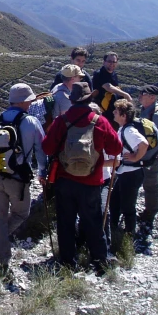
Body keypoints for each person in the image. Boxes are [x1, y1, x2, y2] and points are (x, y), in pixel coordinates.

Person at [42, 82, 122, 274]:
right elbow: (116, 148)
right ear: (90, 99)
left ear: (71, 100)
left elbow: (47, 148)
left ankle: (68, 262)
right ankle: (100, 261)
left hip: (65, 180)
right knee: (93, 221)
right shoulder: (100, 121)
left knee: (65, 221)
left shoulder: (62, 121)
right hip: (91, 181)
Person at [0, 83, 47, 274]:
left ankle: (1, 261)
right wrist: (42, 173)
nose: (30, 104)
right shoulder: (31, 121)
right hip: (18, 178)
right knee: (21, 213)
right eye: (29, 100)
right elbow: (42, 150)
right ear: (23, 102)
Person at [110, 100, 148, 236]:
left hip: (132, 174)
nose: (113, 113)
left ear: (124, 115)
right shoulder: (124, 129)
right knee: (115, 201)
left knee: (128, 206)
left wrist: (136, 158)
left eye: (116, 111)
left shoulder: (129, 131)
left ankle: (129, 235)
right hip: (126, 172)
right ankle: (114, 229)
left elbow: (144, 143)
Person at [137, 85, 158, 227]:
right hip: (144, 155)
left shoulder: (156, 115)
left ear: (152, 97)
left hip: (150, 157)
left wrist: (147, 156)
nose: (140, 96)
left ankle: (151, 212)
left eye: (143, 94)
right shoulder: (145, 111)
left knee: (151, 185)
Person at [92, 52, 132, 129]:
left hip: (114, 113)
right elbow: (108, 87)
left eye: (114, 62)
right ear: (104, 62)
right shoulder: (99, 73)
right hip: (103, 113)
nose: (112, 64)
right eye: (109, 61)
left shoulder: (114, 74)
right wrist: (126, 95)